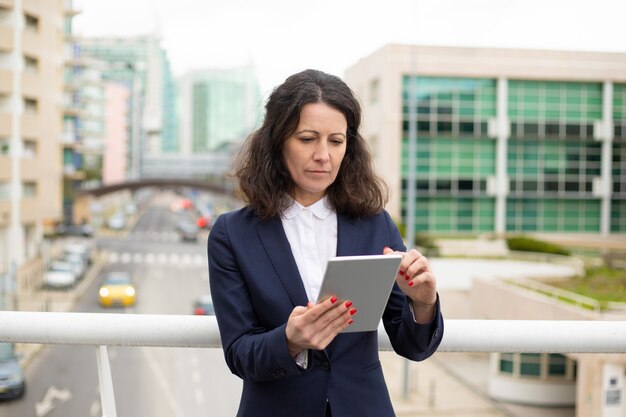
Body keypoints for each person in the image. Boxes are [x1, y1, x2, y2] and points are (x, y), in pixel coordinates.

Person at [208, 69, 443, 417]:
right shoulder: (232, 234)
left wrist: (423, 303)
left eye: (336, 141)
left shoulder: (375, 225)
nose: (323, 155)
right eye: (307, 139)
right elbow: (239, 353)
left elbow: (413, 347)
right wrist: (289, 340)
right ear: (277, 142)